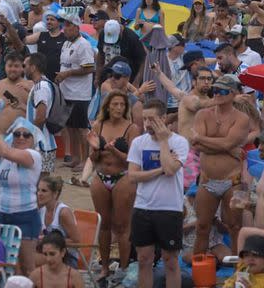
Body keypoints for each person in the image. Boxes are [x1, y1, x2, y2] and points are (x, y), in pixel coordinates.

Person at [127, 99, 189, 288]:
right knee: (144, 259)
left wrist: (163, 141)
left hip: (169, 208)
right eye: (145, 119)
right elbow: (132, 176)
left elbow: (171, 170)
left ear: (163, 118)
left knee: (170, 261)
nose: (147, 124)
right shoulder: (139, 142)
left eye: (152, 119)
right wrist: (159, 170)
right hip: (143, 206)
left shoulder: (179, 142)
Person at [191, 75, 250, 254]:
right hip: (207, 180)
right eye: (214, 90)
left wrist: (202, 138)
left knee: (235, 227)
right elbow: (196, 146)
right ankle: (197, 270)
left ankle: (239, 273)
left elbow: (226, 143)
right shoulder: (202, 114)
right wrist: (227, 148)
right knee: (201, 227)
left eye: (222, 91)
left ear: (233, 94)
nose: (216, 94)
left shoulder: (242, 118)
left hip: (234, 181)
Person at [85, 90, 140, 280]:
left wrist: (113, 150)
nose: (118, 108)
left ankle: (124, 267)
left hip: (122, 176)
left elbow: (131, 159)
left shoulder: (131, 128)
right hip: (101, 176)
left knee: (122, 226)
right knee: (104, 224)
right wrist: (94, 148)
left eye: (122, 105)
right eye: (115, 104)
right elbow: (93, 158)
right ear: (107, 106)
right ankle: (105, 267)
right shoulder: (98, 125)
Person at [0, 116, 43, 276]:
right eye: (17, 134)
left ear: (32, 139)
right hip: (3, 214)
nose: (21, 137)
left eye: (26, 135)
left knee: (27, 267)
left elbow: (5, 151)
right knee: (10, 266)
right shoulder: (5, 156)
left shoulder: (33, 156)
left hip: (25, 215)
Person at [57, 14, 95, 173]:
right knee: (70, 127)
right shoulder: (66, 43)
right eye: (64, 26)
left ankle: (85, 160)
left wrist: (68, 74)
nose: (64, 29)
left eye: (68, 26)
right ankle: (75, 158)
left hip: (80, 93)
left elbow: (89, 68)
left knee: (81, 129)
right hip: (67, 91)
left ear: (76, 27)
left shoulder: (84, 45)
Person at [36, 176, 80, 268]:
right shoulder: (42, 211)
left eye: (44, 191)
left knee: (28, 261)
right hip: (48, 254)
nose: (39, 194)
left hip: (67, 257)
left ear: (55, 194)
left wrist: (50, 241)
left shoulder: (63, 213)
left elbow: (76, 241)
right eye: (38, 190)